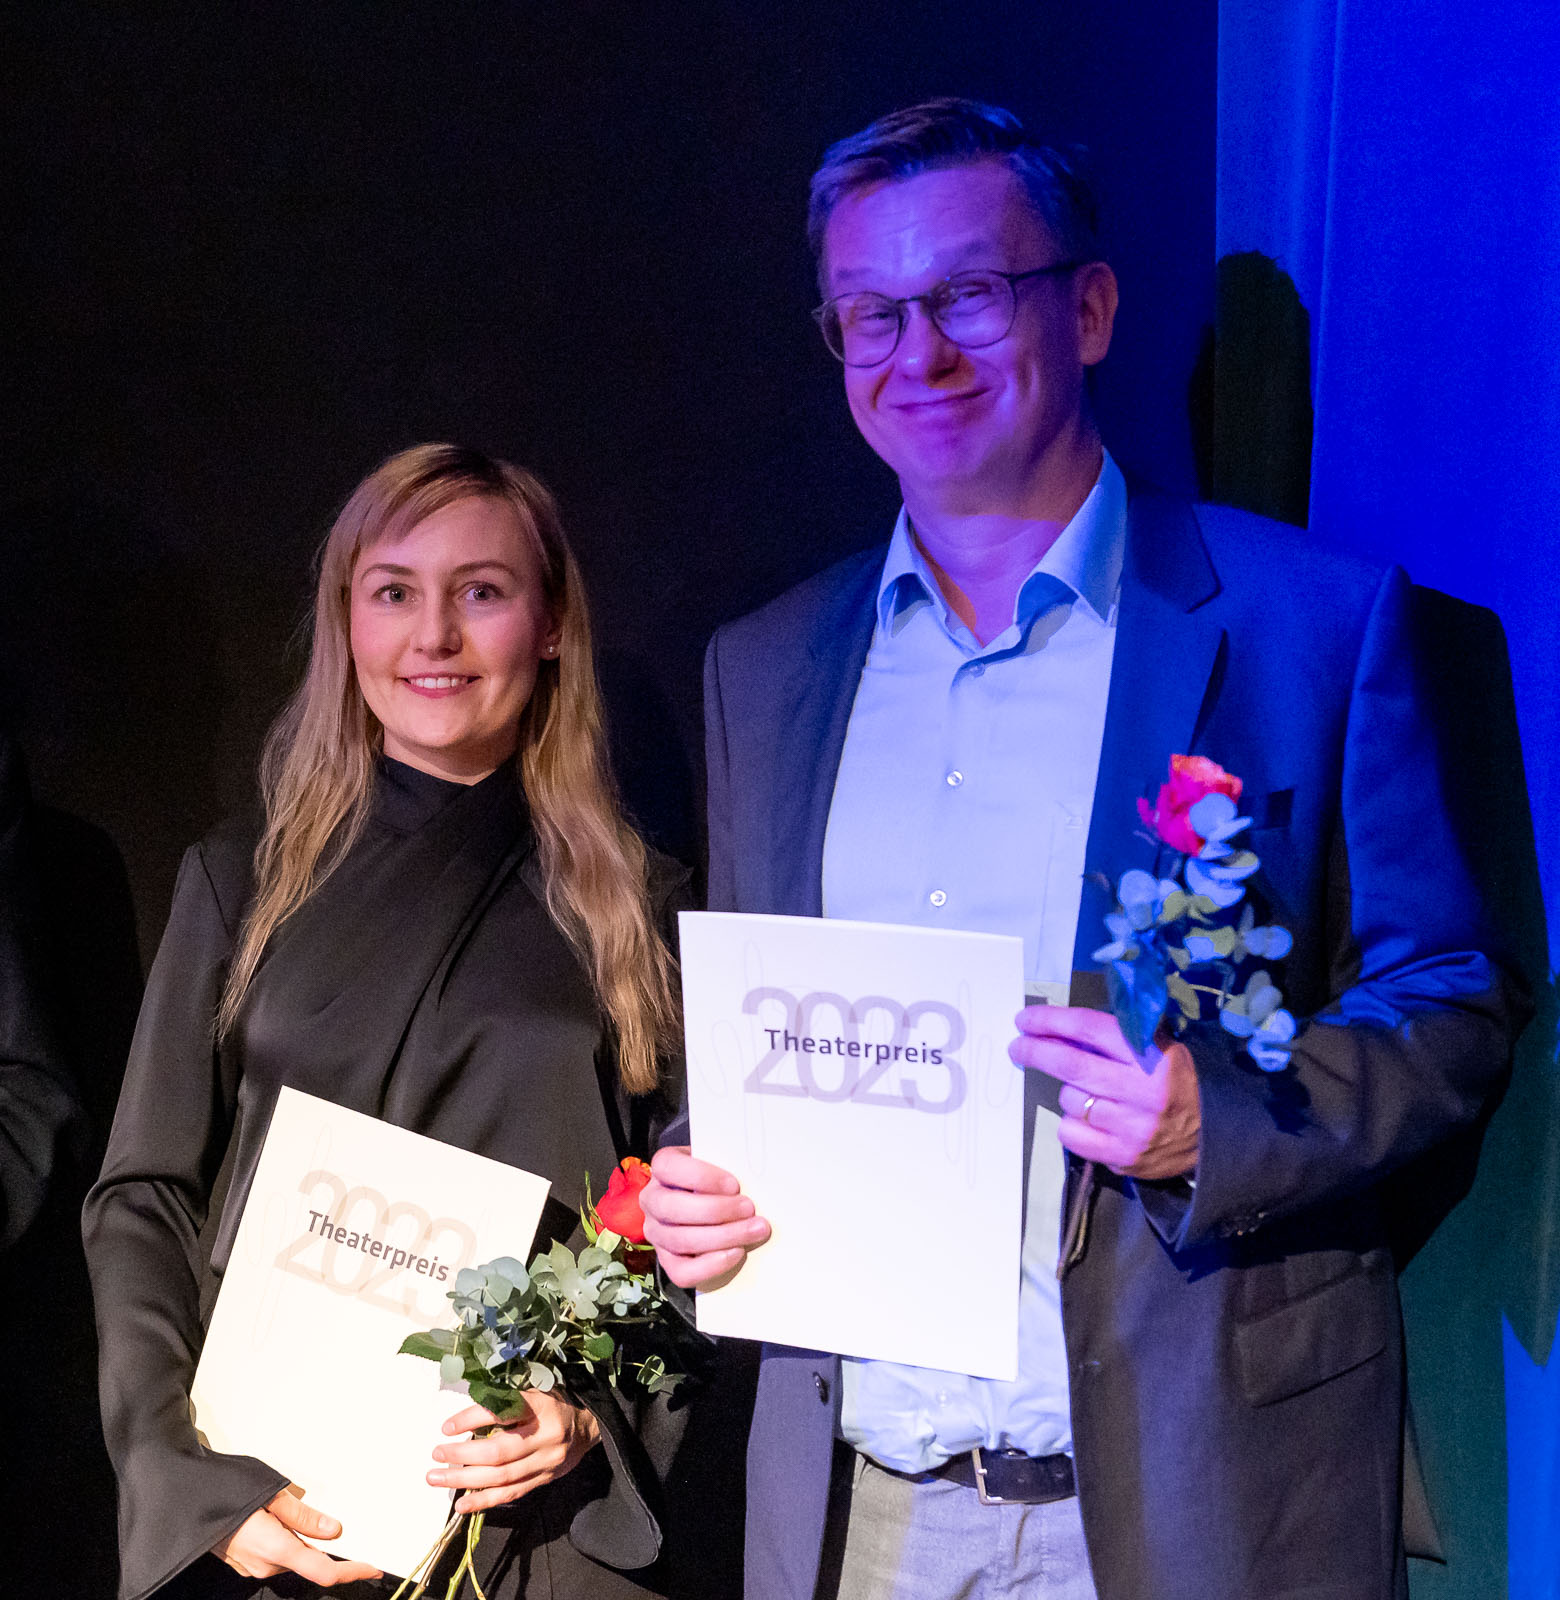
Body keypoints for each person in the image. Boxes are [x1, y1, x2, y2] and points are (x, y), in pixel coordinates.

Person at [640, 99, 1528, 1600]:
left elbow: (1451, 995)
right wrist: (698, 1176)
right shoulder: (768, 665)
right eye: (871, 314)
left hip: (1204, 1499)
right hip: (867, 1508)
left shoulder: (1312, 624)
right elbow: (767, 1046)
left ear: (1093, 308)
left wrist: (1220, 1122)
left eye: (972, 294)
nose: (920, 354)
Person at [84, 444, 688, 1600]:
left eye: (482, 591)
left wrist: (585, 1415)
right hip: (272, 1513)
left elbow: (691, 1236)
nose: (434, 637)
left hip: (536, 1538)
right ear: (345, 621)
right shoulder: (242, 885)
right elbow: (142, 1197)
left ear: (552, 623)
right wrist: (182, 1476)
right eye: (395, 591)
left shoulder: (641, 911)